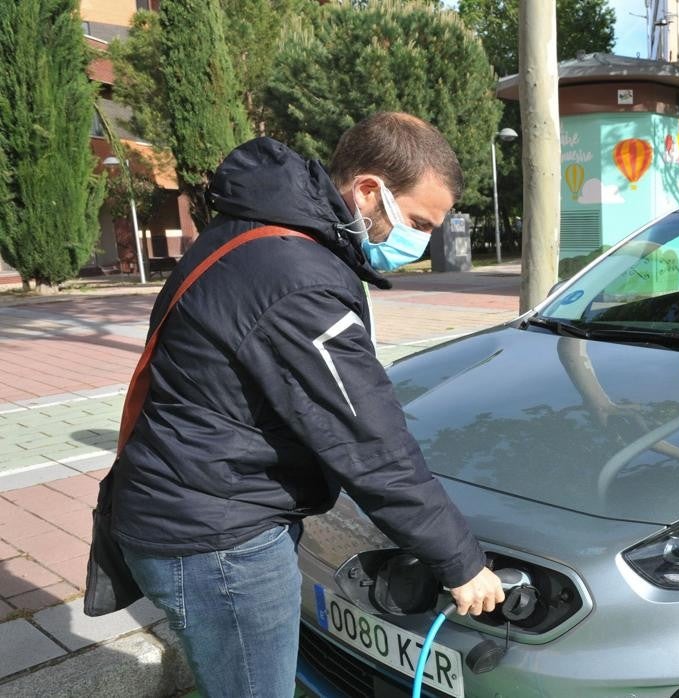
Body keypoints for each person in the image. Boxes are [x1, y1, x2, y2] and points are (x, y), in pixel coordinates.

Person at [109, 113, 505, 697]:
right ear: (369, 190)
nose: (421, 242)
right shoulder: (298, 279)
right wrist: (462, 562)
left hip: (195, 506)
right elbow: (370, 442)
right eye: (419, 221)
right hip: (221, 540)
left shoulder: (259, 231)